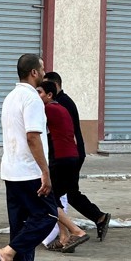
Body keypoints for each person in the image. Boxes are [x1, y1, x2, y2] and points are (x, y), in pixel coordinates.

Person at [0, 53, 58, 261]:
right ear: (34, 73)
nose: (45, 72)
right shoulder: (32, 99)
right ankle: (7, 254)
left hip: (11, 169)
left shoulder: (11, 97)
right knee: (47, 216)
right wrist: (45, 171)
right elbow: (32, 137)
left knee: (20, 222)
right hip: (29, 171)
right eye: (42, 68)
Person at [38, 80, 109, 249]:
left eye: (39, 92)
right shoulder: (62, 107)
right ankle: (65, 236)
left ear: (49, 95)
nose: (36, 96)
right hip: (72, 157)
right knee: (61, 195)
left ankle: (75, 232)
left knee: (48, 197)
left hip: (61, 159)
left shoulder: (47, 109)